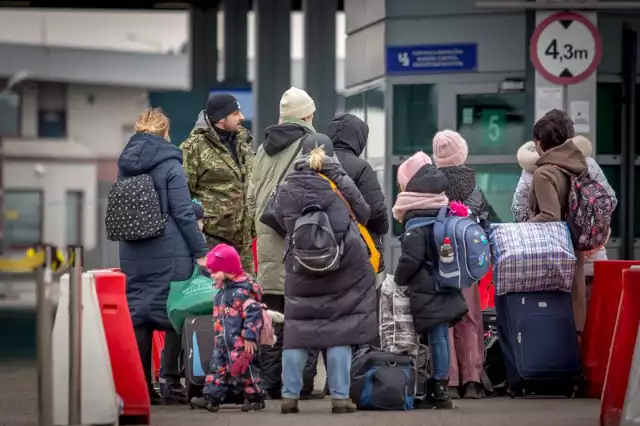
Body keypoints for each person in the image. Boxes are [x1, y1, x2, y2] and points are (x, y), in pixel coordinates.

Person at [274, 134, 377, 414]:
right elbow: (364, 213)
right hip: (340, 266)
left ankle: (289, 397)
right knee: (338, 330)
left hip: (300, 266)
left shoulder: (286, 186)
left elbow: (276, 217)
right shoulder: (339, 181)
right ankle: (341, 398)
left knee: (297, 331)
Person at [117, 108, 209, 405]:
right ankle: (171, 381)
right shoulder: (171, 164)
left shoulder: (126, 164)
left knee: (140, 315)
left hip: (133, 248)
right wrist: (201, 252)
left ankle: (143, 386)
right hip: (169, 249)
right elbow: (181, 212)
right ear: (164, 132)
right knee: (176, 309)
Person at [246, 87, 322, 399]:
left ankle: (270, 384)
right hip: (298, 243)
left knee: (272, 314)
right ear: (307, 115)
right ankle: (301, 384)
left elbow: (251, 200)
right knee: (304, 315)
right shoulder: (312, 144)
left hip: (267, 242)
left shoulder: (263, 149)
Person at [392, 152, 468, 410]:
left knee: (436, 337)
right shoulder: (442, 210)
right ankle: (439, 387)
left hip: (427, 288)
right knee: (440, 336)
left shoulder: (416, 220)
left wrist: (398, 279)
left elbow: (411, 259)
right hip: (446, 282)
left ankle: (439, 389)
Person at [512, 135, 617, 303]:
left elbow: (519, 211)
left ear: (540, 143)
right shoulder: (587, 163)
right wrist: (595, 234)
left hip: (548, 259)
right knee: (591, 317)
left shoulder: (533, 170)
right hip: (590, 256)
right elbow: (608, 201)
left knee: (554, 314)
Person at [431, 130, 490, 399]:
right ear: (462, 155)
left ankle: (450, 379)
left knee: (446, 317)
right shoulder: (472, 186)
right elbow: (485, 224)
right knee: (469, 316)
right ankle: (473, 380)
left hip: (439, 261)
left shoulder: (430, 184)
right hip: (467, 265)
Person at [528, 109, 590, 332]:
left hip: (552, 254)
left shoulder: (544, 173)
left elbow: (549, 217)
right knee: (575, 310)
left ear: (540, 141)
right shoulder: (579, 166)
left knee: (552, 317)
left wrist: (523, 229)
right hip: (576, 246)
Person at [181, 93, 256, 272]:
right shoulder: (194, 148)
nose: (242, 118)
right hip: (212, 244)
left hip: (245, 243)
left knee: (244, 297)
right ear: (221, 119)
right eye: (236, 113)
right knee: (216, 297)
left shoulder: (243, 143)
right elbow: (182, 195)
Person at [190, 243, 266, 412]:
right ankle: (212, 397)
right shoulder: (224, 291)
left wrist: (249, 335)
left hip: (240, 342)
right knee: (217, 369)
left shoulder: (243, 291)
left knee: (246, 370)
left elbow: (254, 314)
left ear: (228, 270)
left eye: (214, 271)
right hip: (223, 341)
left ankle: (255, 397)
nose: (211, 275)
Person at [327, 113, 389, 271]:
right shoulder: (361, 168)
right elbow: (376, 210)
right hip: (357, 252)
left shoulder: (317, 163)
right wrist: (383, 227)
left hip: (321, 249)